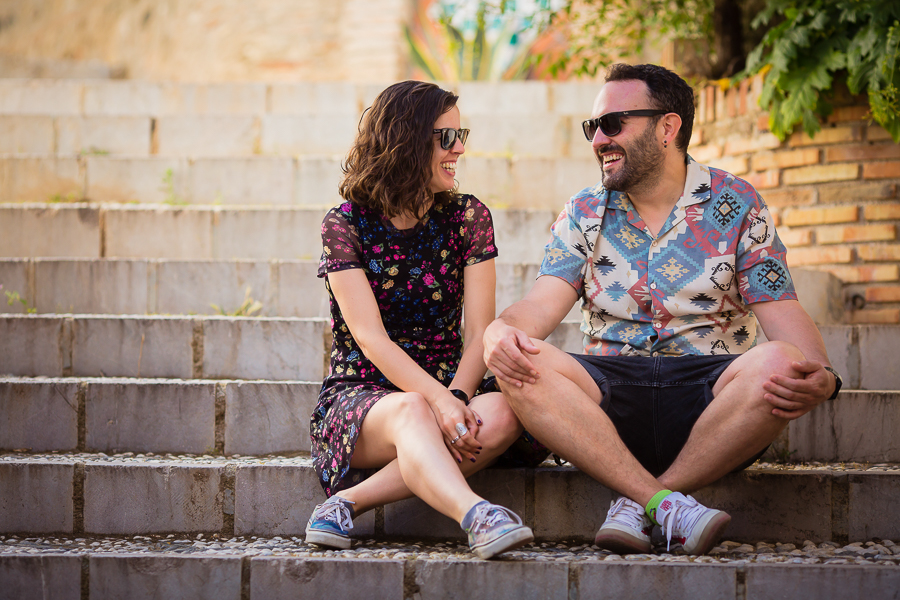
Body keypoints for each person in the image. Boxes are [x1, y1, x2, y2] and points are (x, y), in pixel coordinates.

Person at [482, 64, 841, 555]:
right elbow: (540, 305)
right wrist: (499, 333)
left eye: (612, 124)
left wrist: (823, 375)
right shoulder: (585, 210)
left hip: (711, 404)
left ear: (667, 128)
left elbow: (781, 306)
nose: (598, 140)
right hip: (607, 402)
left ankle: (638, 501)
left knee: (779, 360)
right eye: (593, 128)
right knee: (519, 362)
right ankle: (664, 504)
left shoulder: (736, 202)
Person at [306, 80, 533, 560]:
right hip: (367, 393)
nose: (461, 148)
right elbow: (370, 340)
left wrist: (455, 396)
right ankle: (476, 515)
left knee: (507, 411)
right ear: (408, 142)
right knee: (411, 409)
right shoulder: (344, 225)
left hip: (453, 382)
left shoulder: (468, 217)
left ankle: (346, 502)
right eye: (447, 137)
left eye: (461, 134)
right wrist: (435, 401)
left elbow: (479, 332)